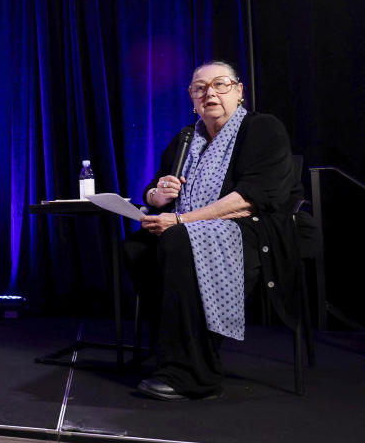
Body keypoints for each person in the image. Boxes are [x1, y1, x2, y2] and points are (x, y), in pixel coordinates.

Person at [125, 61, 302, 400]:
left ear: (239, 91)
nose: (210, 93)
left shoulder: (262, 128)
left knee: (178, 241)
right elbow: (154, 188)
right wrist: (156, 195)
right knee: (136, 247)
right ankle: (172, 348)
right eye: (200, 88)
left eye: (220, 85)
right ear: (192, 98)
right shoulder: (186, 137)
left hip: (250, 229)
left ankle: (194, 374)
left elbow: (252, 198)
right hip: (187, 228)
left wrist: (181, 221)